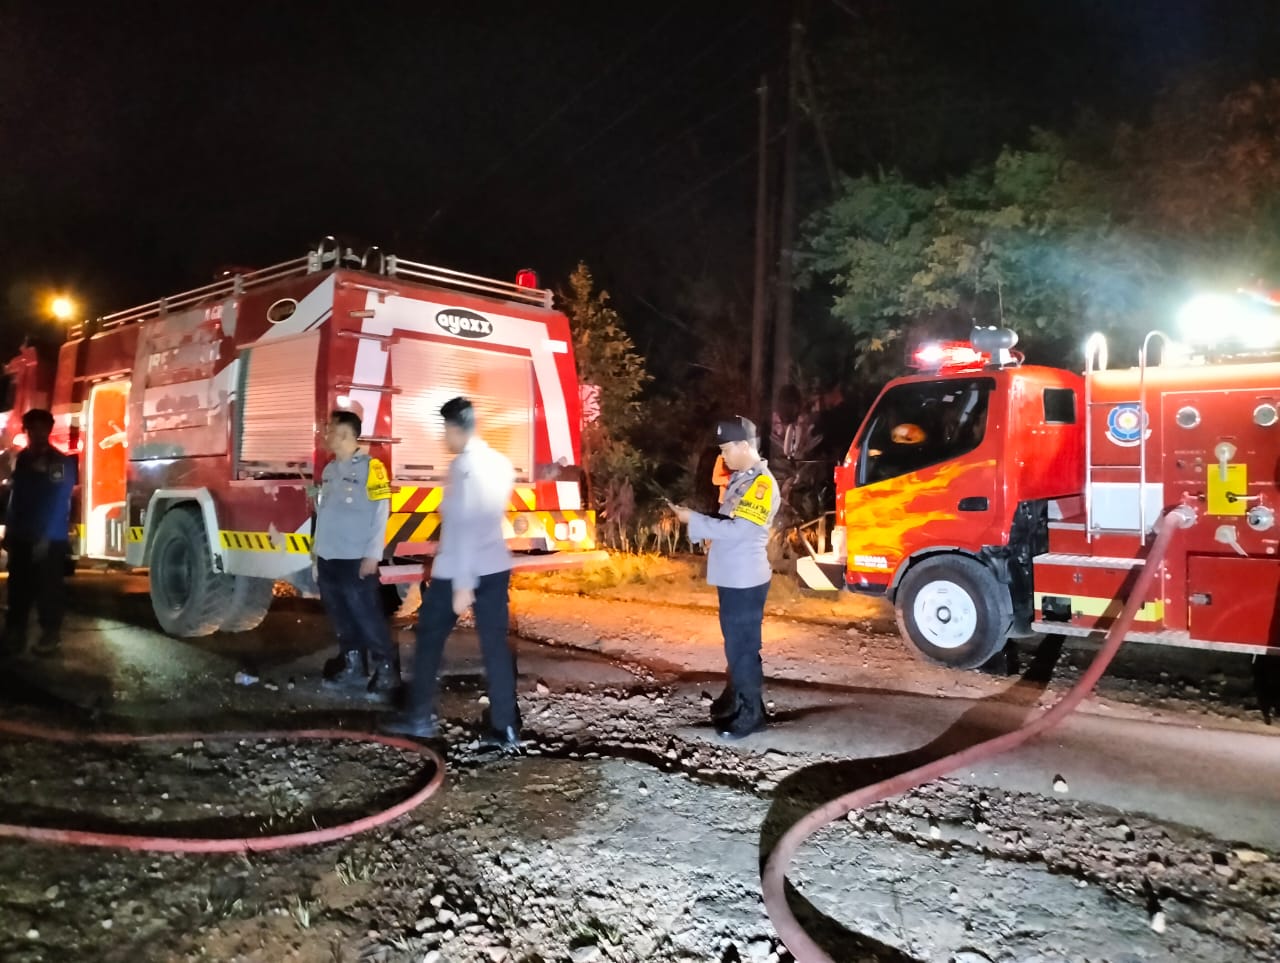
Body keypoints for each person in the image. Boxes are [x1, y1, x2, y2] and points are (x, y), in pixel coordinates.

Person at [382, 397, 521, 753]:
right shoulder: (500, 462)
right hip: (494, 566)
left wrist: (462, 585)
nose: (445, 438)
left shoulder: (464, 467)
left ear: (456, 429)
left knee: (430, 636)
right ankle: (506, 727)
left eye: (446, 430)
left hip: (460, 569)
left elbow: (464, 525)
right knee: (495, 646)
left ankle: (419, 716)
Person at [668, 416, 778, 738]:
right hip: (733, 576)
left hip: (745, 579)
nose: (723, 456)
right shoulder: (742, 479)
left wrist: (694, 520)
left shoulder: (760, 484)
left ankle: (751, 715)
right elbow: (728, 521)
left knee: (743, 649)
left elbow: (740, 530)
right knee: (736, 647)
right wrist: (701, 524)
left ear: (744, 446)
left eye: (727, 449)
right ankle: (736, 699)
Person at [312, 409, 400, 700]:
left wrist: (373, 555)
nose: (326, 435)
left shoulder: (372, 469)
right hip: (329, 557)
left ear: (345, 435)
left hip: (355, 558)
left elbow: (381, 512)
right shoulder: (329, 471)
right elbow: (324, 515)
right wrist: (316, 557)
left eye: (330, 430)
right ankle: (353, 665)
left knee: (367, 615)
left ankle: (386, 670)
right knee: (340, 615)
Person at [1, 409, 77, 657]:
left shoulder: (59, 462)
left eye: (42, 428)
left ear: (49, 430)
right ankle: (15, 634)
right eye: (32, 429)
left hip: (49, 539)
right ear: (27, 431)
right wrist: (10, 530)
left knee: (48, 589)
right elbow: (16, 497)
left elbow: (59, 502)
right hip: (22, 535)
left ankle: (50, 636)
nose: (37, 433)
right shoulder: (22, 459)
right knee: (18, 589)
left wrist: (46, 537)